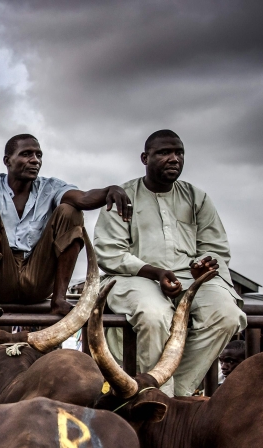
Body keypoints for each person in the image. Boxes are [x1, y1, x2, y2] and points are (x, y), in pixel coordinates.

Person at [95, 129, 246, 397]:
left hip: (189, 277)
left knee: (227, 315)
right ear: (145, 158)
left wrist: (202, 266)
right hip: (133, 277)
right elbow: (110, 253)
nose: (174, 158)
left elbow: (216, 248)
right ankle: (157, 397)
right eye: (164, 152)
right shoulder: (123, 195)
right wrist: (156, 272)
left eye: (179, 152)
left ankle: (173, 394)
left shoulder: (196, 197)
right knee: (154, 315)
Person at [0, 133, 132, 321]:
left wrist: (109, 190)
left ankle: (59, 299)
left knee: (71, 211)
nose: (35, 160)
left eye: (38, 155)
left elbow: (83, 198)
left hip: (37, 278)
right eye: (26, 154)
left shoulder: (51, 187)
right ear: (8, 161)